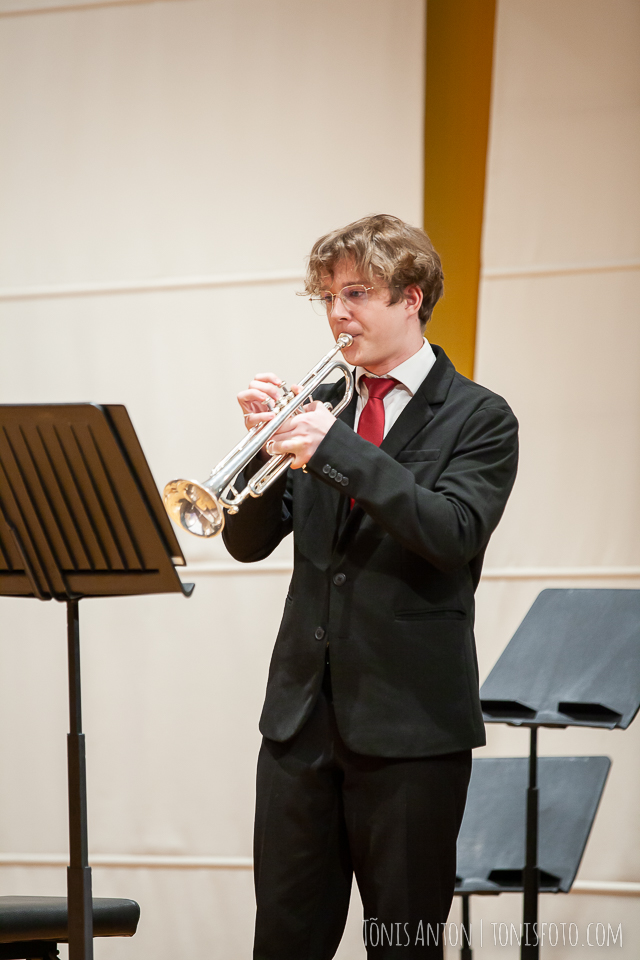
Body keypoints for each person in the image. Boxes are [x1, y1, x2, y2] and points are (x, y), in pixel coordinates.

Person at [222, 214, 518, 958]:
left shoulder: (480, 417)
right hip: (300, 722)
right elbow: (246, 543)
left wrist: (339, 448)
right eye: (328, 296)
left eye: (356, 294)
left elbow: (451, 532)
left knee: (403, 942)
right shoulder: (323, 404)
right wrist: (260, 447)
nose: (337, 313)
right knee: (284, 939)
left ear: (411, 298)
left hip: (411, 724)